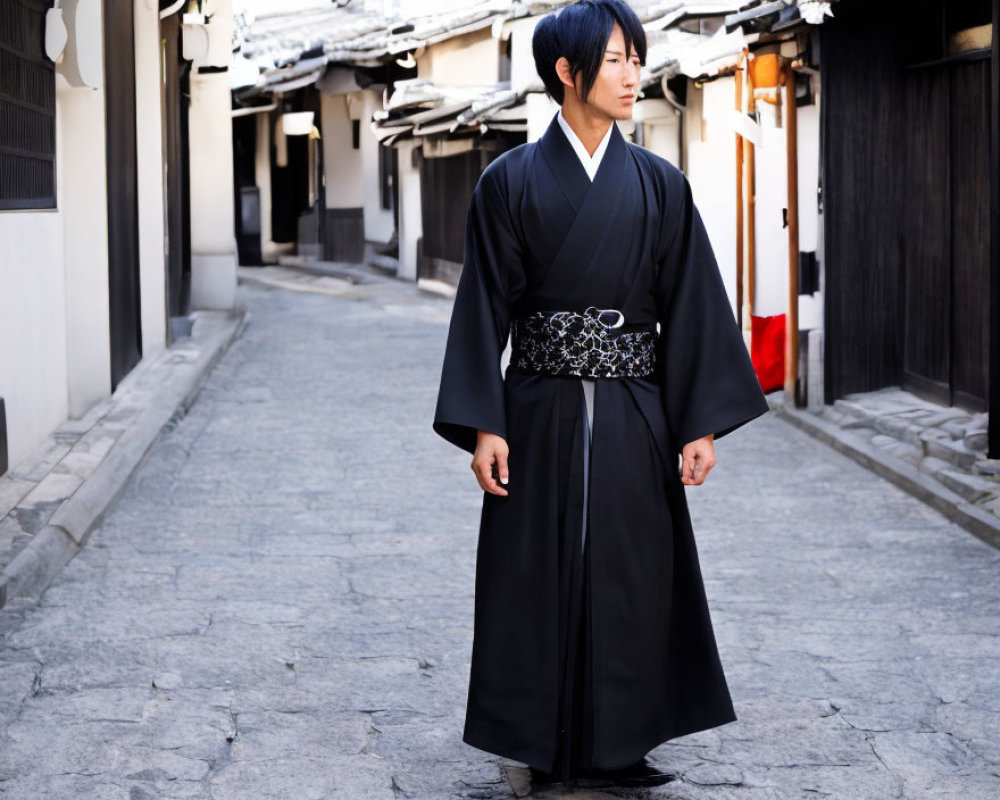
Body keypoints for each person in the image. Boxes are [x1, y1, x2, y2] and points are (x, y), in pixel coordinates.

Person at [432, 0, 769, 790]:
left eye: (633, 57)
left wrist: (699, 423)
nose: (631, 74)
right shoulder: (507, 182)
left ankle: (623, 745)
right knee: (533, 572)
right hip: (538, 406)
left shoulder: (659, 185)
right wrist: (484, 424)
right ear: (566, 72)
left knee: (633, 571)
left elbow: (691, 303)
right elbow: (482, 305)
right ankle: (537, 745)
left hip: (634, 409)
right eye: (614, 59)